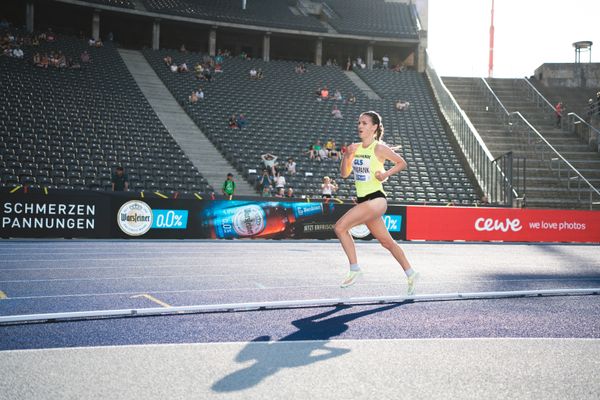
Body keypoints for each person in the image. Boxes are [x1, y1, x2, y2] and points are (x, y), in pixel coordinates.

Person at [334, 110, 418, 293]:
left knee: (340, 227)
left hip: (377, 199)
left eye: (364, 123)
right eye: (359, 122)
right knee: (387, 242)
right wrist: (346, 156)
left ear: (374, 127)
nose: (360, 126)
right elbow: (344, 174)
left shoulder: (379, 148)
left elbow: (402, 163)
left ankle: (355, 269)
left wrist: (385, 174)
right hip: (364, 201)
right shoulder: (354, 148)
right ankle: (411, 273)